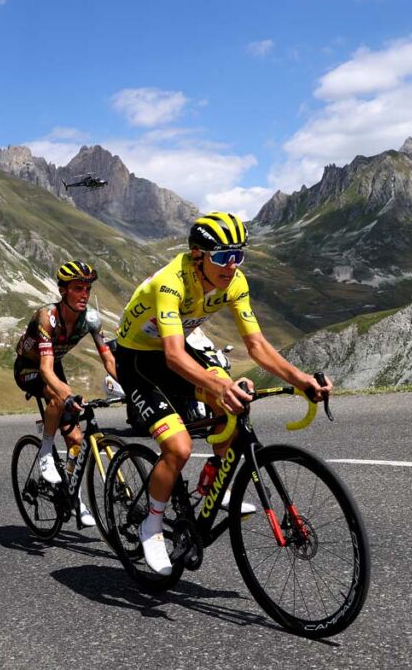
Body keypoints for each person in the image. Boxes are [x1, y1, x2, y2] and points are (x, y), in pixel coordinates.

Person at [115, 211, 332, 575]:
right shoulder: (171, 282)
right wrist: (219, 385)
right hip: (139, 359)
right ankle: (151, 524)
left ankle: (213, 480)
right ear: (198, 255)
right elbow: (171, 355)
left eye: (238, 255)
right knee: (179, 446)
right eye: (221, 256)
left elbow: (257, 345)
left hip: (181, 346)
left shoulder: (235, 282)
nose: (231, 266)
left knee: (233, 402)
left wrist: (301, 379)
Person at [14, 260, 117, 527]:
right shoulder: (46, 318)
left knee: (76, 439)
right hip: (29, 368)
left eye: (87, 289)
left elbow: (108, 361)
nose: (84, 294)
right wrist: (68, 394)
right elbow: (46, 371)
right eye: (77, 288)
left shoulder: (91, 319)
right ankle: (46, 450)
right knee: (59, 396)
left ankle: (74, 498)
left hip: (52, 366)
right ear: (63, 291)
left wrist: (130, 389)